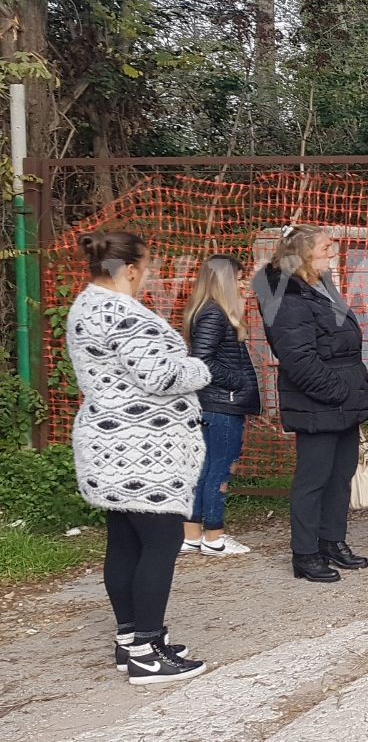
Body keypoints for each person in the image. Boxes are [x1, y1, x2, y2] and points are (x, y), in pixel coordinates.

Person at [66, 230, 212, 684]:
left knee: (126, 541)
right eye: (146, 267)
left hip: (110, 443)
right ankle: (148, 650)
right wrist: (200, 366)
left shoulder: (85, 304)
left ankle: (130, 638)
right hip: (142, 450)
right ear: (130, 270)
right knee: (162, 540)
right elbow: (162, 375)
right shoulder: (122, 312)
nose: (147, 275)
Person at [255, 225, 368, 583]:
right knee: (313, 480)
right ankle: (305, 553)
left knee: (340, 476)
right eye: (325, 247)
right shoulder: (287, 297)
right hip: (320, 402)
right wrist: (338, 393)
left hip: (341, 399)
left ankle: (332, 541)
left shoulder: (320, 286)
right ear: (304, 253)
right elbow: (299, 359)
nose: (332, 252)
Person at [180, 255, 261, 558]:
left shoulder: (209, 311)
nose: (243, 284)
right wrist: (237, 380)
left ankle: (192, 536)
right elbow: (202, 360)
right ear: (225, 281)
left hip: (214, 404)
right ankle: (214, 537)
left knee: (205, 470)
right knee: (220, 470)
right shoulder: (215, 313)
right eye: (239, 278)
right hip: (220, 405)